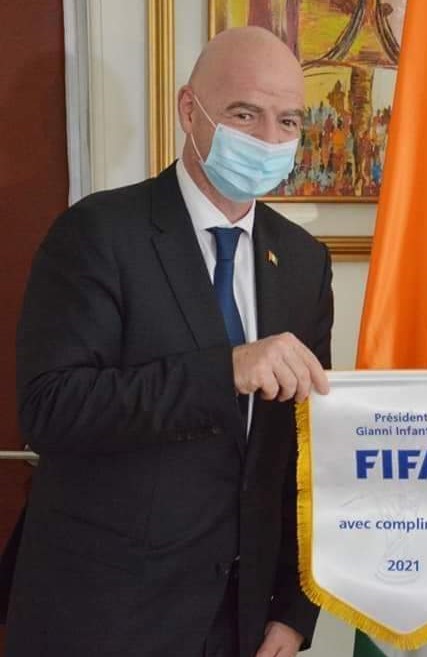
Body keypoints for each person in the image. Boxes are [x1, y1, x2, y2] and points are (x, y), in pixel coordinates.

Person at [7, 27, 332, 657]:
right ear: (189, 109)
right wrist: (224, 370)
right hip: (106, 617)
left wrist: (294, 610)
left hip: (240, 623)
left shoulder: (301, 261)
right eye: (245, 114)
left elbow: (304, 446)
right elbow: (51, 408)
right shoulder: (98, 232)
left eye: (289, 120)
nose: (269, 139)